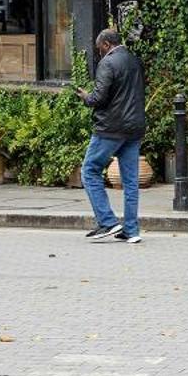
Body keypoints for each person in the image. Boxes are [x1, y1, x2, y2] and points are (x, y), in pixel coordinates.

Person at [79, 27, 145, 244]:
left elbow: (99, 97)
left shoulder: (107, 63)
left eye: (100, 49)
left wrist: (86, 97)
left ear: (106, 44)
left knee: (89, 170)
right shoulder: (134, 60)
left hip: (110, 128)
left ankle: (107, 221)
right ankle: (131, 230)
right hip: (134, 128)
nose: (99, 53)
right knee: (130, 181)